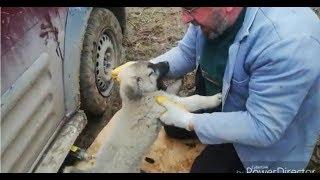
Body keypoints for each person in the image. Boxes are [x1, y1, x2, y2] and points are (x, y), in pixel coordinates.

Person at [118, 7, 320, 173]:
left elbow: (263, 127)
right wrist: (145, 69)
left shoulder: (285, 44)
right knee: (170, 126)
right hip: (224, 100)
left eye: (190, 9)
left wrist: (189, 121)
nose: (184, 19)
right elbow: (186, 54)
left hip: (262, 134)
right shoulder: (211, 16)